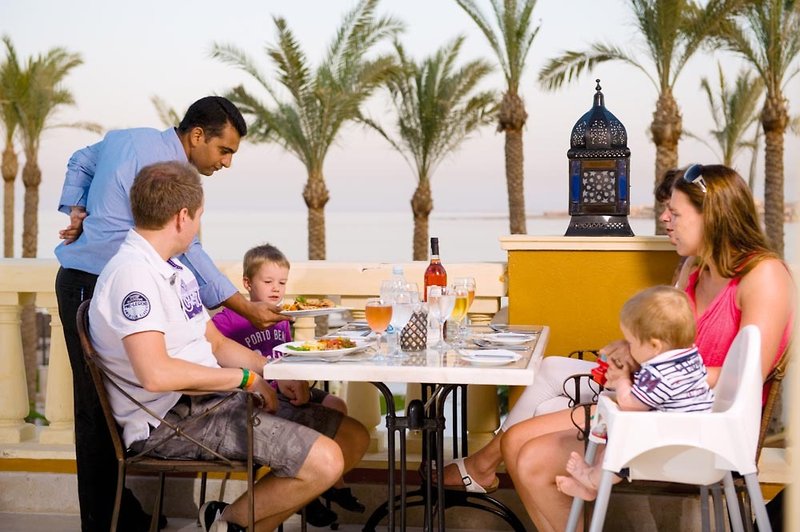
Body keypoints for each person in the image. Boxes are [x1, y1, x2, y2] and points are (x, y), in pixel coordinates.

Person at [502, 164, 794, 531]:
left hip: (705, 430)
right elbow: (666, 345)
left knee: (531, 459)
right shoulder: (694, 268)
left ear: (713, 216)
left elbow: (748, 378)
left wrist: (658, 376)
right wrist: (631, 356)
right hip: (658, 410)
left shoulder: (764, 276)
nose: (664, 218)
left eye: (675, 212)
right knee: (515, 443)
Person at [88, 161, 369, 532]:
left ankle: (231, 524)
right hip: (172, 419)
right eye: (199, 216)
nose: (198, 225)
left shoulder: (174, 269)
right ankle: (228, 524)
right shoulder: (133, 275)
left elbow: (217, 342)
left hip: (213, 401)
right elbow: (156, 375)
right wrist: (244, 379)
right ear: (182, 217)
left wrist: (275, 372)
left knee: (352, 436)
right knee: (325, 461)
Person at [53, 96, 288, 532]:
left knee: (106, 411)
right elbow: (190, 250)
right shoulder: (162, 170)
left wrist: (76, 207)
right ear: (197, 136)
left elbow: (80, 160)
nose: (227, 162)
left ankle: (124, 514)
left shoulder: (130, 139)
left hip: (104, 282)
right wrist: (245, 308)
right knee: (96, 413)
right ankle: (104, 522)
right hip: (90, 280)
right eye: (224, 150)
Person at [211, 243, 366, 525]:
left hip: (285, 387)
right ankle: (313, 490)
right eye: (268, 282)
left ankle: (327, 485)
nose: (276, 289)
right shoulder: (227, 321)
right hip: (258, 394)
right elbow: (215, 354)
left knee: (336, 404)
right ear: (247, 283)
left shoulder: (283, 318)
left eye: (281, 283)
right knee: (325, 428)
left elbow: (286, 355)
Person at [555, 285, 715, 502]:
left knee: (620, 438)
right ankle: (593, 478)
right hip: (693, 435)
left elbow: (630, 403)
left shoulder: (660, 373)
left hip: (671, 446)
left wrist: (622, 380)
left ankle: (592, 481)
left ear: (655, 345)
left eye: (631, 343)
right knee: (613, 438)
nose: (628, 348)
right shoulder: (688, 358)